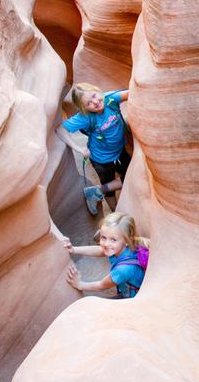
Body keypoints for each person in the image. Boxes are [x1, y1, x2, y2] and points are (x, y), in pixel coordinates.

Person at [56, 83, 131, 215]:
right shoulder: (85, 117)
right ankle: (115, 213)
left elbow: (134, 93)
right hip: (102, 160)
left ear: (97, 91)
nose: (95, 102)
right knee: (111, 188)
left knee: (131, 177)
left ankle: (96, 191)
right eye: (89, 103)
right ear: (84, 108)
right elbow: (60, 129)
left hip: (120, 151)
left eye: (94, 96)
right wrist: (79, 148)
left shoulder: (110, 99)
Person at [64, 212, 148, 299]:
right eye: (103, 237)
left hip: (132, 298)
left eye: (113, 239)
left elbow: (101, 286)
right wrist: (74, 249)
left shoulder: (122, 270)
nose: (106, 244)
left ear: (126, 241)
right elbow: (101, 250)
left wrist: (79, 284)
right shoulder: (126, 247)